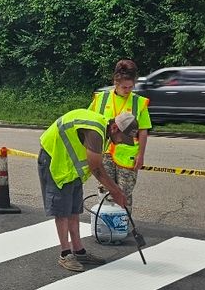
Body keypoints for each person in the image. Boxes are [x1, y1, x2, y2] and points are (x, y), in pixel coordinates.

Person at [37, 107, 138, 272]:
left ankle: (79, 251)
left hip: (69, 167)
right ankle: (65, 254)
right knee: (62, 211)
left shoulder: (104, 130)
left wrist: (115, 190)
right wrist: (116, 191)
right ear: (115, 128)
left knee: (74, 210)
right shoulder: (96, 132)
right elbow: (96, 168)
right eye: (122, 138)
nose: (121, 142)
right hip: (55, 160)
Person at [90, 59, 151, 206]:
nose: (128, 90)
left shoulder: (139, 102)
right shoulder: (101, 99)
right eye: (124, 87)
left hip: (127, 157)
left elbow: (143, 131)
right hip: (104, 154)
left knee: (124, 194)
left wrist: (141, 155)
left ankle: (123, 227)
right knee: (105, 191)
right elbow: (90, 124)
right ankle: (105, 226)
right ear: (115, 81)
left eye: (131, 87)